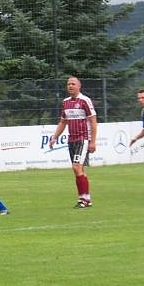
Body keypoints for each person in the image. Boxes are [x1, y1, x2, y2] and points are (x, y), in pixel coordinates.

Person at [47, 76, 97, 208]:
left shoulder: (85, 101)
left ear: (79, 86)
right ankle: (87, 198)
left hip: (82, 139)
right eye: (68, 84)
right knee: (79, 169)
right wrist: (54, 137)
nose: (70, 86)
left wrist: (92, 141)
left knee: (76, 167)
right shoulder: (65, 102)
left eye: (73, 84)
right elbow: (63, 121)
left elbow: (93, 121)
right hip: (71, 140)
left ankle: (83, 199)